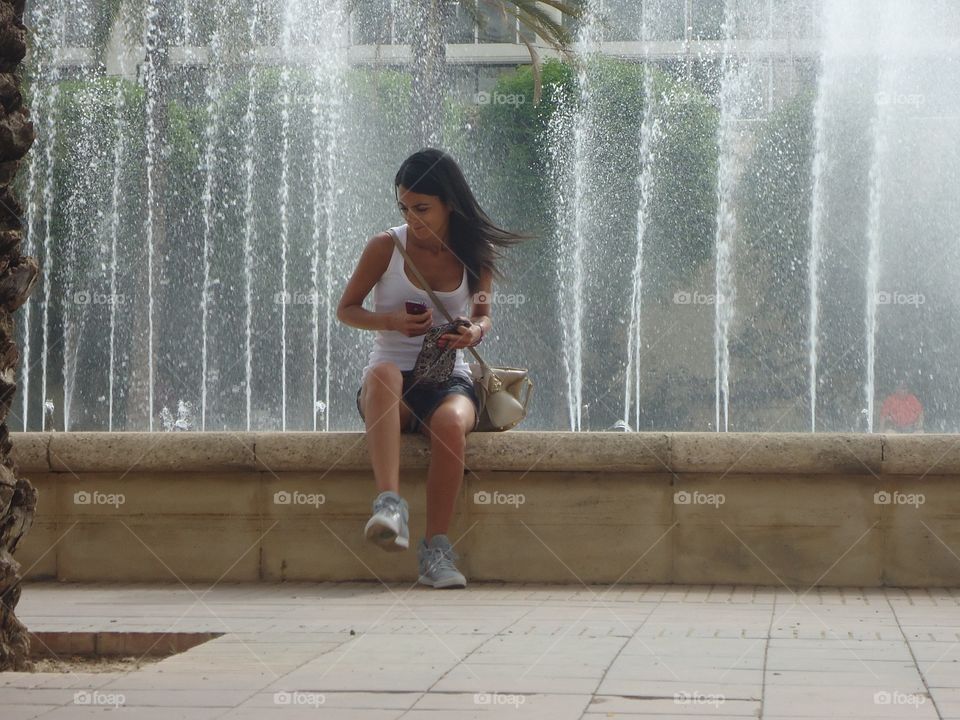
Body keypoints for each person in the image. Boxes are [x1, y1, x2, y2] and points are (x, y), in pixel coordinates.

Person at [336, 148, 526, 589]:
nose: (413, 217)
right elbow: (345, 309)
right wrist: (390, 322)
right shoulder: (386, 246)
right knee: (382, 373)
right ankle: (389, 506)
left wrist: (472, 332)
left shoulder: (475, 254)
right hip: (391, 387)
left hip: (448, 378)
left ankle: (436, 550)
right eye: (405, 207)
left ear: (450, 204)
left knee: (452, 422)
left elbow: (483, 315)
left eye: (422, 208)